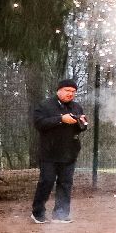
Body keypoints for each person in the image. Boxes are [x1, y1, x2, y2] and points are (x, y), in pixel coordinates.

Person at [31, 78, 86, 224]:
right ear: (59, 91)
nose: (70, 94)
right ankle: (38, 213)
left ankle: (60, 214)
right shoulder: (45, 105)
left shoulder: (76, 107)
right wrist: (61, 119)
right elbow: (39, 124)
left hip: (69, 152)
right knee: (46, 181)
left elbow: (81, 128)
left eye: (73, 92)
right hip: (49, 152)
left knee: (65, 183)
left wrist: (82, 123)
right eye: (67, 91)